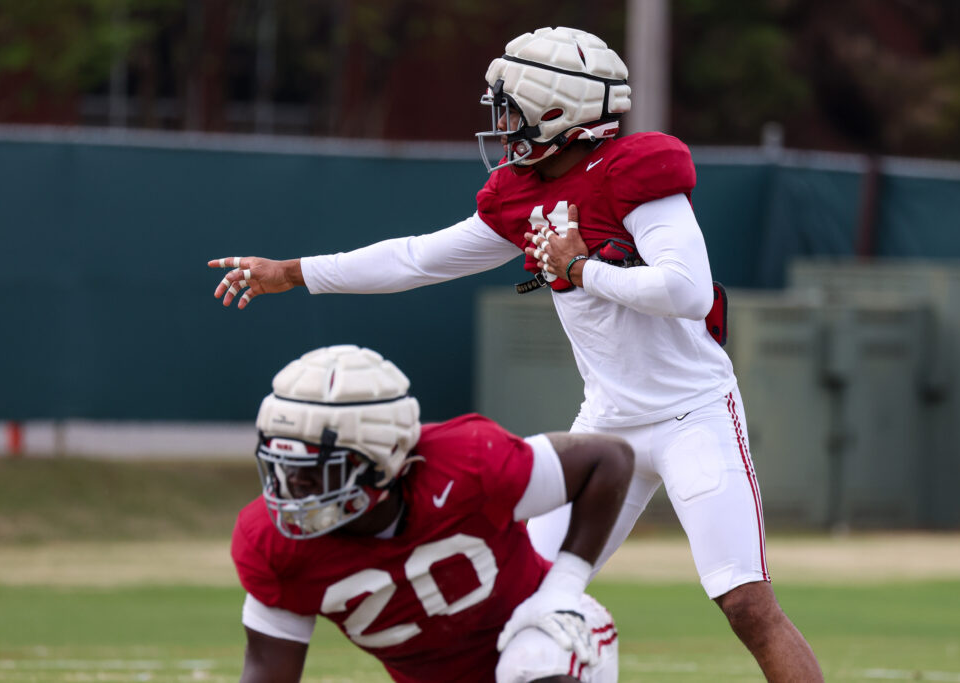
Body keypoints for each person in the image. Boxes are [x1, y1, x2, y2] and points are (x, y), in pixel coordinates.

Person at [211, 26, 823, 682]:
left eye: (512, 109)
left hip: (692, 414)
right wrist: (296, 271)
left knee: (746, 601)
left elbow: (687, 290)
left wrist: (581, 267)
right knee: (524, 599)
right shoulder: (519, 195)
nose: (502, 127)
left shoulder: (635, 171)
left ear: (559, 111)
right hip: (609, 416)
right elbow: (418, 257)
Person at [233, 344, 631, 682]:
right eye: (284, 469)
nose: (293, 489)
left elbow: (609, 459)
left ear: (382, 458)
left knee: (532, 661)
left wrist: (563, 589)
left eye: (316, 471)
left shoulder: (467, 463)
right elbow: (268, 670)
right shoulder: (272, 543)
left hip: (551, 635)